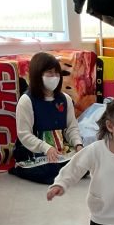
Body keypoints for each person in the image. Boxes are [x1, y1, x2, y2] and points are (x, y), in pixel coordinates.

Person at [10, 52, 83, 185]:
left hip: (61, 150)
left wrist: (78, 145)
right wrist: (46, 148)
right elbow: (24, 134)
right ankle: (20, 169)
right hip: (34, 153)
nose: (54, 77)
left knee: (84, 163)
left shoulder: (65, 99)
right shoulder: (26, 101)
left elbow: (71, 127)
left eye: (57, 73)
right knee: (49, 172)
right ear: (38, 74)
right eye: (49, 72)